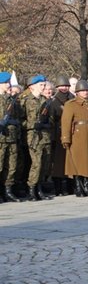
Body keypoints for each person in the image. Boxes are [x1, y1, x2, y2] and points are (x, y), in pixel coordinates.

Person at [61, 80, 88, 197]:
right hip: (78, 136)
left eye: (87, 90)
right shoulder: (71, 104)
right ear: (77, 92)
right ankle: (78, 187)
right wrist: (66, 138)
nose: (85, 92)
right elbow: (66, 123)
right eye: (82, 91)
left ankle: (87, 186)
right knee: (78, 162)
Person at [22, 75, 53, 201]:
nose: (44, 87)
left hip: (45, 136)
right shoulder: (25, 101)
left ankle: (39, 187)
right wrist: (31, 125)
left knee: (45, 164)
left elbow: (51, 120)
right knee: (37, 163)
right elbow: (20, 120)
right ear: (32, 87)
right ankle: (31, 188)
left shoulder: (45, 101)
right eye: (41, 85)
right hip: (33, 136)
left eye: (44, 85)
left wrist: (45, 124)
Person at [48, 76, 74, 196]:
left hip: (72, 132)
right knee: (58, 163)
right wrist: (53, 137)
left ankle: (71, 186)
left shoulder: (72, 98)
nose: (64, 88)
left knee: (71, 160)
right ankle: (58, 188)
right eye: (62, 86)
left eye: (66, 86)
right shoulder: (54, 101)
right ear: (58, 87)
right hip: (58, 133)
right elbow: (52, 120)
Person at [0, 71, 23, 202]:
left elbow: (18, 117)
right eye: (6, 83)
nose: (9, 85)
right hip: (1, 138)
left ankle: (7, 191)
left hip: (12, 137)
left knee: (11, 166)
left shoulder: (12, 100)